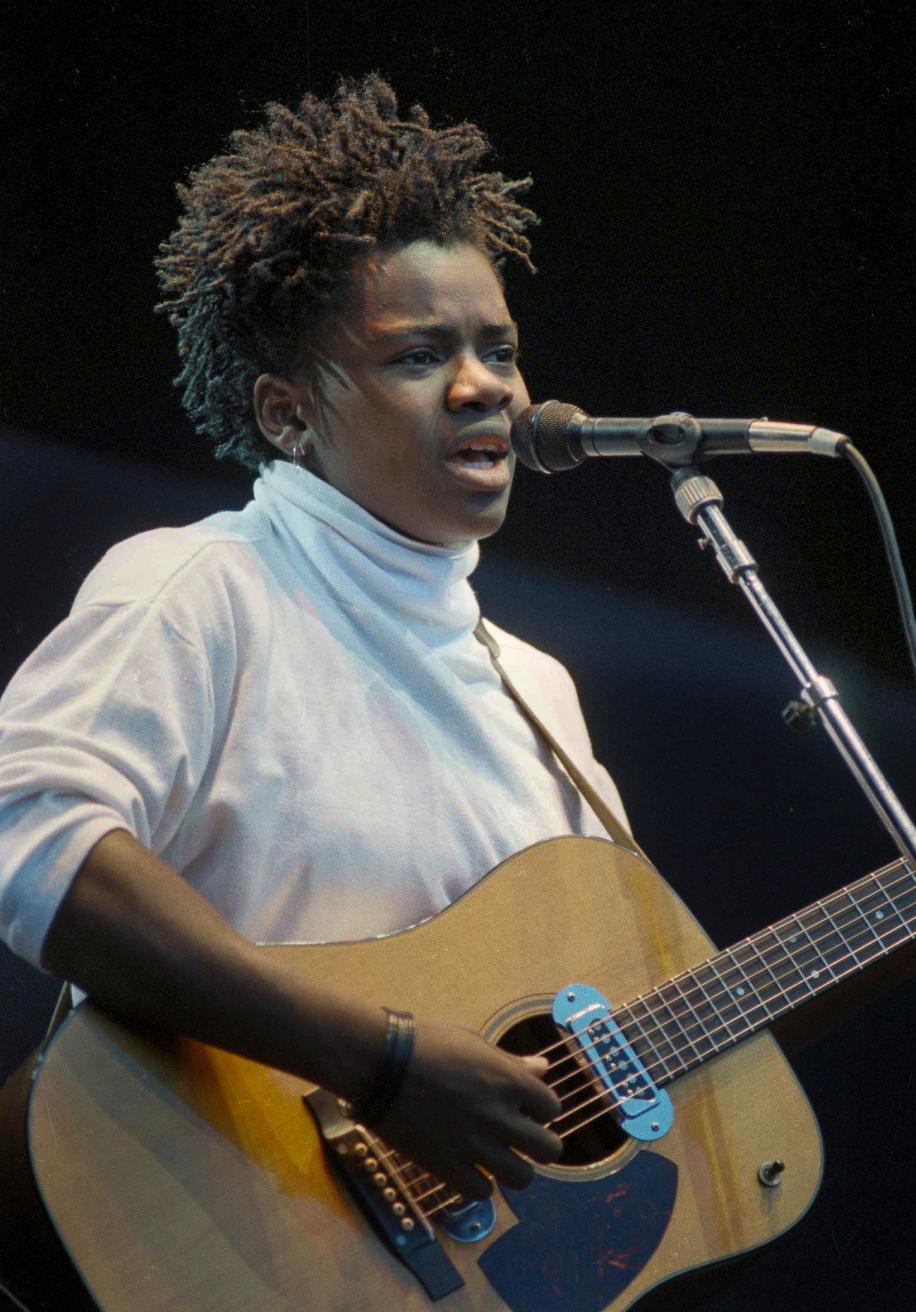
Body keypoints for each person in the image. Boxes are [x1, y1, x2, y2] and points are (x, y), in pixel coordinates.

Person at [0, 75, 630, 1226]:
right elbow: (33, 835)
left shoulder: (539, 691)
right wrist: (381, 1063)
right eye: (417, 354)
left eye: (499, 346)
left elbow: (606, 1031)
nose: (484, 384)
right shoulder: (203, 588)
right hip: (207, 1230)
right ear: (289, 413)